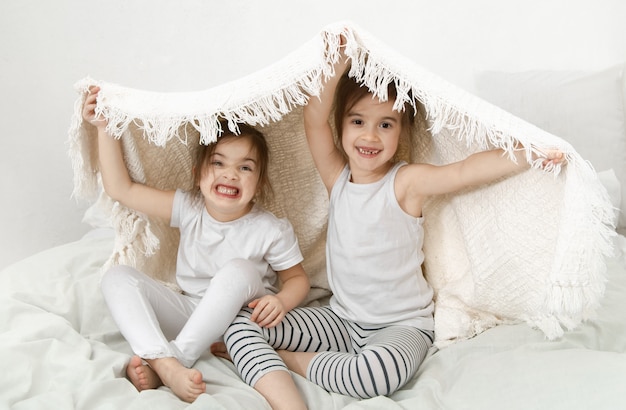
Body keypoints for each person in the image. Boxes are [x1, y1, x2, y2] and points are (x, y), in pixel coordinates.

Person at [215, 45, 565, 409]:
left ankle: (287, 361)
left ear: (402, 132)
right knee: (241, 322)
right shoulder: (338, 178)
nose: (370, 136)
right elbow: (313, 120)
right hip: (342, 319)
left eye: (386, 124)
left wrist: (528, 153)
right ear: (341, 127)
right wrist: (338, 62)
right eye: (358, 122)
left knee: (375, 376)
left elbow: (462, 172)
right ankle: (274, 365)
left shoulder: (405, 183)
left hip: (400, 326)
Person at [82, 86, 310, 403]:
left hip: (241, 321)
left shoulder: (269, 229)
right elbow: (121, 189)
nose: (230, 175)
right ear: (198, 174)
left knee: (239, 271)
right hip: (191, 313)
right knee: (116, 277)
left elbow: (298, 280)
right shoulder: (190, 208)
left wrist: (283, 301)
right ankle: (164, 361)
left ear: (258, 186)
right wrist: (105, 128)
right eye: (218, 163)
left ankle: (176, 360)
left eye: (245, 168)